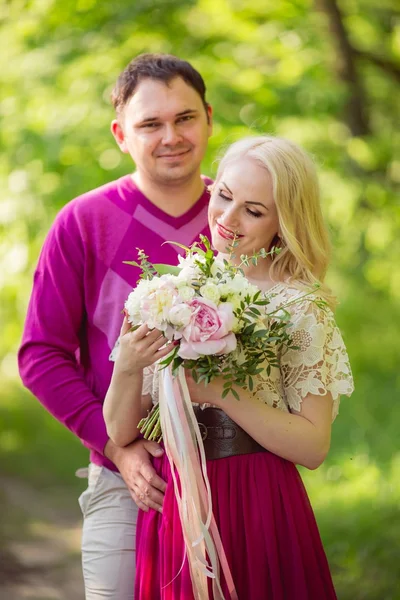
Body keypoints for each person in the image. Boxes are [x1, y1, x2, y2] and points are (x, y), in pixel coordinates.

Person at [103, 135, 354, 599]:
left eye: (254, 210)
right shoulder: (171, 293)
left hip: (256, 500)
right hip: (176, 503)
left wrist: (220, 392)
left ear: (284, 223)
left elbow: (313, 447)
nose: (228, 217)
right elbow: (121, 431)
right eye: (223, 195)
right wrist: (129, 366)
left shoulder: (300, 307)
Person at [18, 53, 213, 599]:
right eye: (150, 124)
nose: (171, 135)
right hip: (130, 482)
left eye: (185, 117)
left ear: (209, 118)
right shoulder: (83, 222)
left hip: (239, 472)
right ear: (121, 134)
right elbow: (40, 355)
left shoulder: (243, 214)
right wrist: (116, 446)